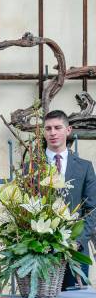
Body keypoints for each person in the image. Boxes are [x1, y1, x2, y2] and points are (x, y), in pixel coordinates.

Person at [42, 109, 96, 288]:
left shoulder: (85, 167)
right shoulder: (32, 167)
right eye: (48, 128)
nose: (53, 133)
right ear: (44, 132)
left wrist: (77, 241)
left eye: (57, 127)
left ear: (68, 130)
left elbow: (92, 209)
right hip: (41, 252)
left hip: (76, 251)